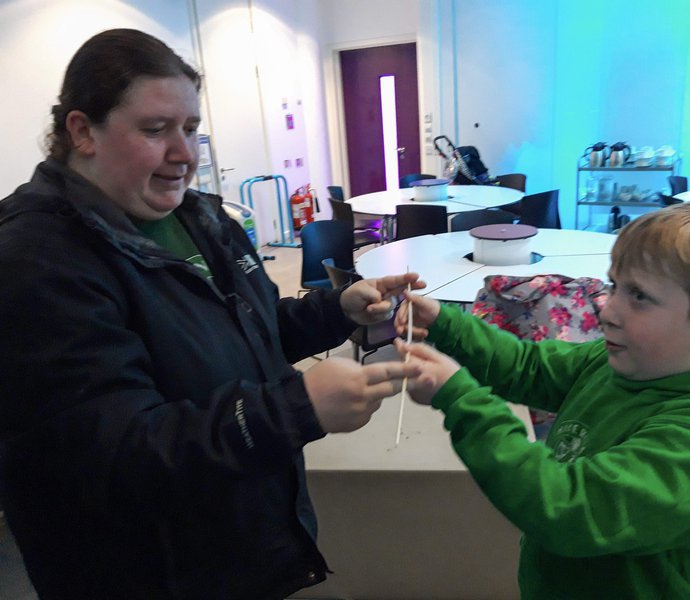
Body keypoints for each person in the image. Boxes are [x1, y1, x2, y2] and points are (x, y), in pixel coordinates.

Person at [0, 29, 422, 600]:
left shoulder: (199, 216)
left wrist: (336, 311)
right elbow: (118, 457)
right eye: (155, 130)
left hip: (249, 545)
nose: (185, 155)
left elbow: (249, 329)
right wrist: (296, 408)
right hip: (152, 574)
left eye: (191, 129)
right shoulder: (36, 260)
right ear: (82, 131)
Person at [396, 201, 690, 599]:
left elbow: (568, 509)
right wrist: (445, 322)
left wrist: (461, 399)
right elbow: (528, 367)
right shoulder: (621, 362)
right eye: (615, 286)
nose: (608, 311)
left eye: (640, 296)